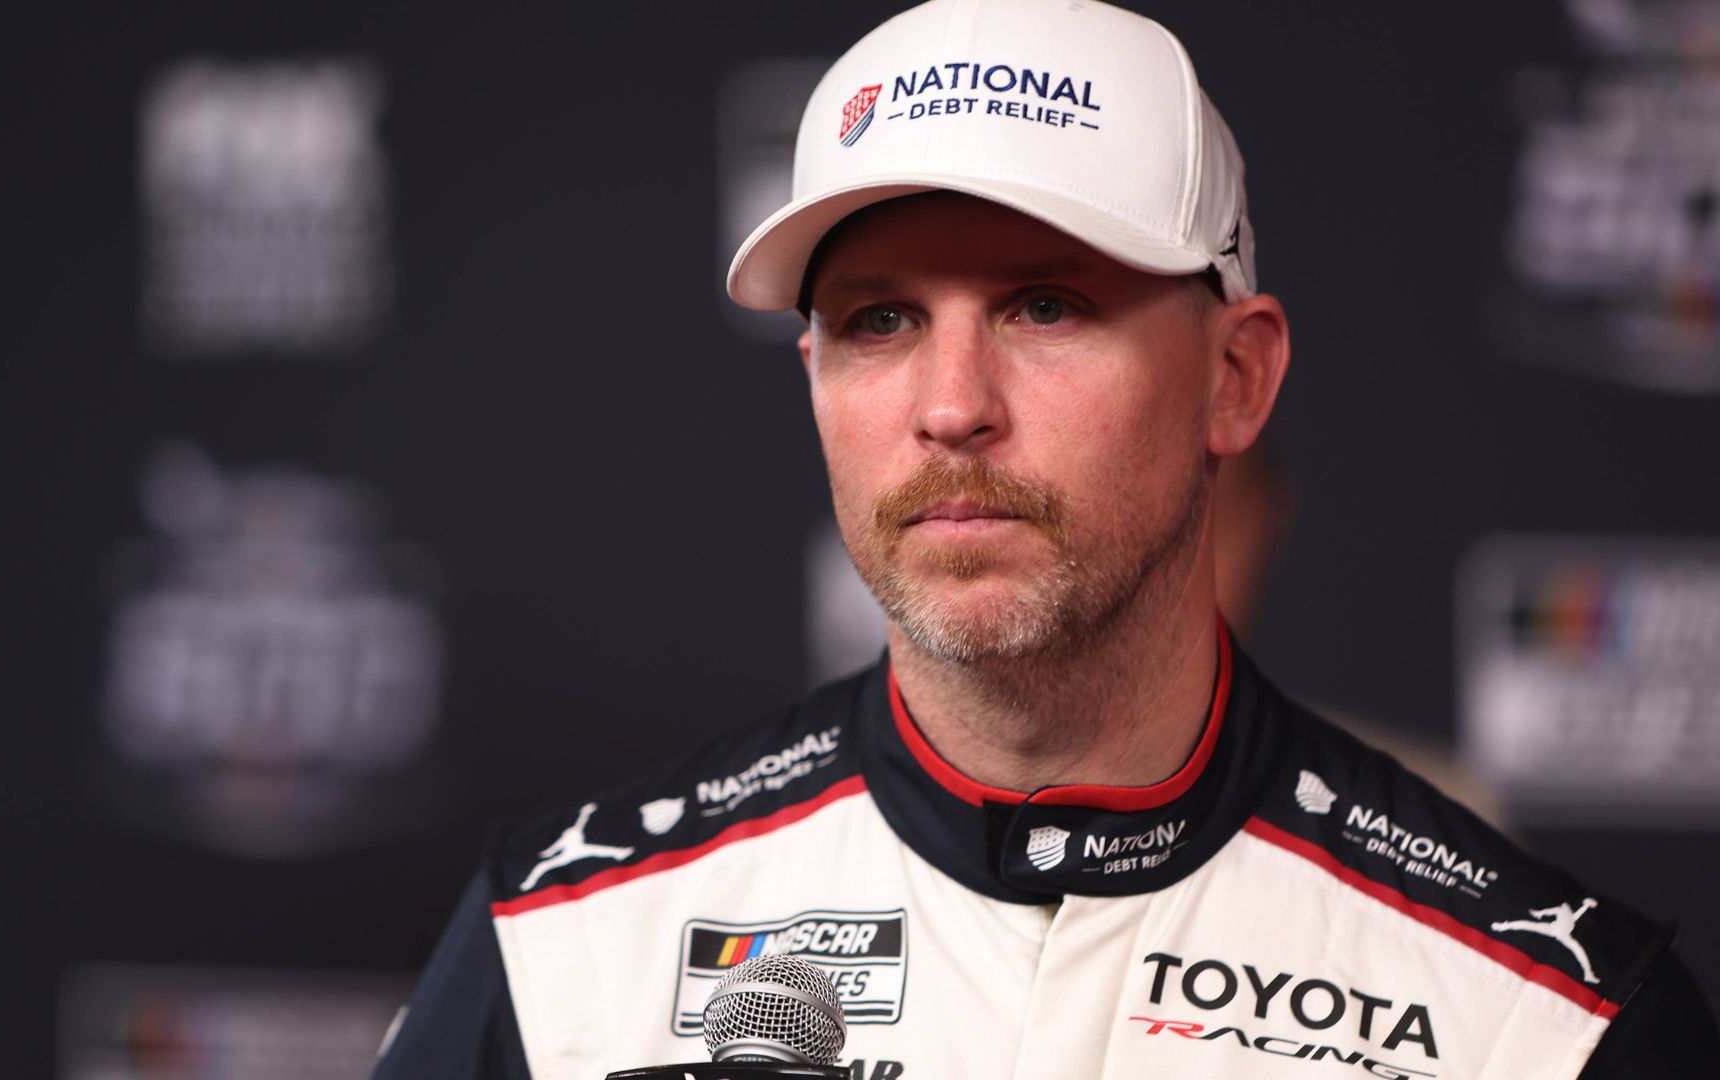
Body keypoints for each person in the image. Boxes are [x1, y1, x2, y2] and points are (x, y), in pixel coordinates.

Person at [374, 1, 1718, 1076]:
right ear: (813, 381)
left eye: (1047, 307)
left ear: (1236, 379)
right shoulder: (560, 953)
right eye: (881, 322)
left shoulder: (1549, 1022)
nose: (952, 407)